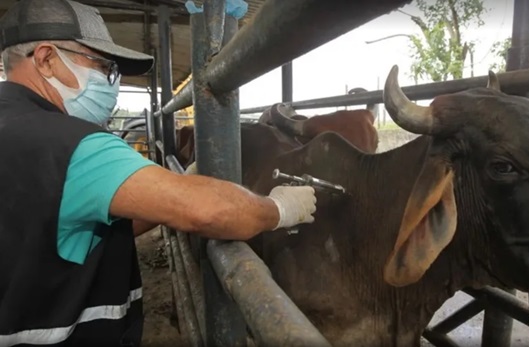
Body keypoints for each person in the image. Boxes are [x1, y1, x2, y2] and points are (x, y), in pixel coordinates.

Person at [0, 0, 317, 346]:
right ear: (46, 59)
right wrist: (280, 208)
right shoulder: (74, 146)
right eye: (104, 66)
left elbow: (58, 227)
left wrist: (169, 190)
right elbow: (211, 210)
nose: (113, 81)